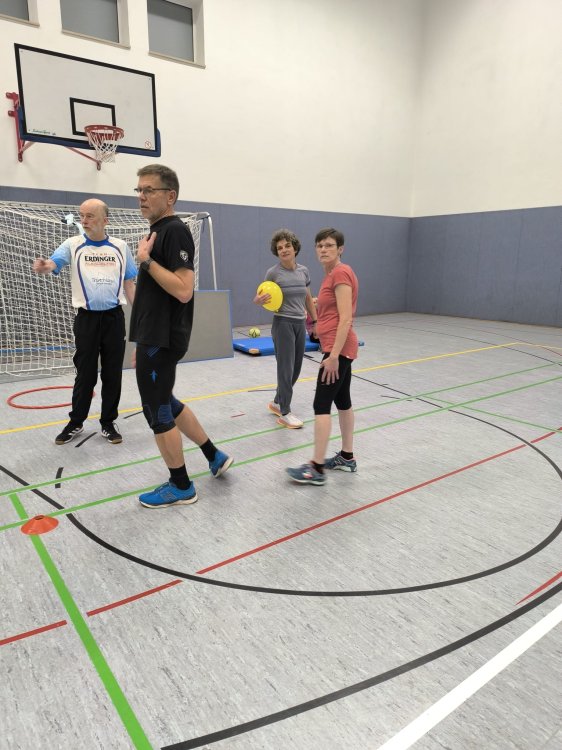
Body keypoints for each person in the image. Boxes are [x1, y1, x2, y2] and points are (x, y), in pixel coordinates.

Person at [130, 164, 232, 509]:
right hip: (153, 338)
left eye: (149, 190)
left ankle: (181, 486)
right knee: (167, 401)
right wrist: (141, 341)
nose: (142, 196)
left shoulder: (174, 231)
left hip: (162, 338)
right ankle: (213, 455)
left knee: (156, 409)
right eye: (139, 190)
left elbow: (184, 290)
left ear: (170, 196)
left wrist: (146, 261)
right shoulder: (158, 231)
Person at [32, 199, 136, 445]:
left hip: (114, 319)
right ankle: (76, 422)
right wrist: (45, 266)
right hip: (86, 320)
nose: (84, 220)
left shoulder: (121, 247)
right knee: (85, 375)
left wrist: (143, 317)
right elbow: (53, 263)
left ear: (105, 220)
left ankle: (108, 422)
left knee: (112, 374)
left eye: (90, 216)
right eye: (82, 216)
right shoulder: (73, 244)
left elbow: (130, 284)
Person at [286, 228, 359, 485]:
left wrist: (334, 356)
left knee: (321, 405)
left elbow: (346, 318)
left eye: (329, 245)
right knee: (343, 402)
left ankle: (316, 468)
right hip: (340, 348)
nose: (323, 249)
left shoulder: (340, 273)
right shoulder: (332, 275)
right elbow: (337, 310)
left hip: (338, 350)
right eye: (319, 245)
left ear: (340, 249)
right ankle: (347, 457)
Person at [253, 229, 317, 429]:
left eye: (287, 245)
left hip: (300, 324)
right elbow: (260, 297)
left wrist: (315, 322)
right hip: (282, 324)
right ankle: (285, 412)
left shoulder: (304, 271)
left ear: (295, 247)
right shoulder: (273, 273)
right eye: (280, 248)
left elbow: (308, 298)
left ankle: (277, 402)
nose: (284, 250)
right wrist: (258, 300)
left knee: (296, 368)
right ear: (276, 252)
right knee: (285, 369)